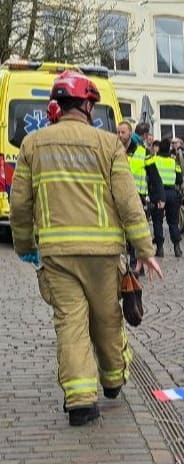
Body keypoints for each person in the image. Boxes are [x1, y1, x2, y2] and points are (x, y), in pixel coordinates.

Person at [10, 71, 163, 426]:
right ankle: (112, 381)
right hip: (103, 254)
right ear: (87, 104)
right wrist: (145, 249)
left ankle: (80, 402)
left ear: (58, 106)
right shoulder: (108, 144)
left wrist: (23, 245)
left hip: (57, 254)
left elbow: (19, 205)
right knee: (107, 318)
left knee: (70, 323)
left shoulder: (33, 145)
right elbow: (128, 202)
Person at [117, 120, 163, 272]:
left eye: (123, 132)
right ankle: (128, 261)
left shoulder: (143, 152)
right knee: (122, 232)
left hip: (138, 197)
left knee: (136, 231)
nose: (119, 135)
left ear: (130, 133)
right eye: (118, 132)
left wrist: (159, 197)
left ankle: (137, 261)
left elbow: (154, 176)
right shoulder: (114, 151)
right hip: (119, 197)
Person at [152, 136, 184, 258]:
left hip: (159, 194)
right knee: (173, 222)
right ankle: (177, 247)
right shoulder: (173, 162)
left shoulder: (154, 160)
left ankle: (160, 248)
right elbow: (180, 180)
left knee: (158, 221)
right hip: (172, 194)